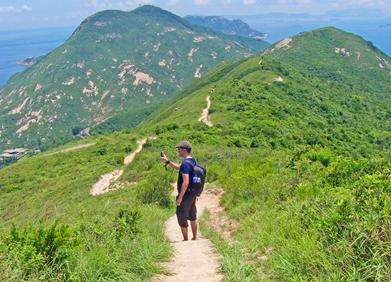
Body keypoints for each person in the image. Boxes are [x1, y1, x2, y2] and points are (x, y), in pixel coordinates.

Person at [160, 140, 198, 241]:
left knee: (181, 215)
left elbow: (185, 182)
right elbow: (179, 168)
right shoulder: (192, 160)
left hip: (185, 194)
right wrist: (167, 161)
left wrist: (180, 197)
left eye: (179, 149)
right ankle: (194, 237)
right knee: (192, 215)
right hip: (193, 193)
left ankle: (185, 240)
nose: (178, 151)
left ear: (184, 150)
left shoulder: (185, 163)